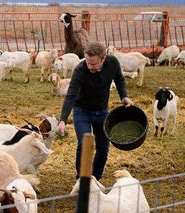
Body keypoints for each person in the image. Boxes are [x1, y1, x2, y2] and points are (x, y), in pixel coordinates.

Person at [57, 42, 133, 180]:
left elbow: (120, 80)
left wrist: (124, 97)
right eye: (87, 62)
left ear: (103, 58)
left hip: (102, 110)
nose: (90, 66)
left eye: (93, 64)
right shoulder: (80, 70)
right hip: (82, 111)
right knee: (86, 143)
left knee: (103, 148)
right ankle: (82, 179)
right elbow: (71, 96)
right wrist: (62, 119)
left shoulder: (113, 63)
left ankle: (96, 178)